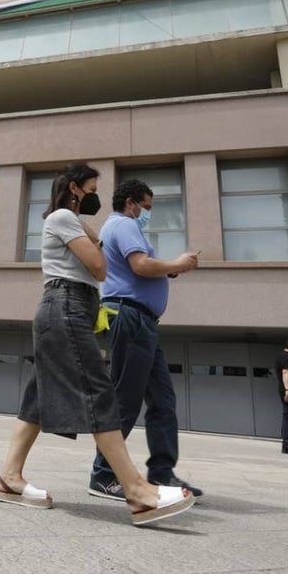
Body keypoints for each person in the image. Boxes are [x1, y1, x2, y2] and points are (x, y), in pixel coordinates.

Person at [0, 164, 195, 526]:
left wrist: (88, 233)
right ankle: (136, 490)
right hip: (66, 306)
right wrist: (89, 234)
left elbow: (97, 260)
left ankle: (10, 477)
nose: (96, 196)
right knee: (99, 393)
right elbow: (100, 268)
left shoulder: (69, 221)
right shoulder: (62, 218)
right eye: (91, 188)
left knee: (39, 397)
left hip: (70, 308)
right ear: (75, 188)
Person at [88, 178, 204, 502]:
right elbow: (141, 265)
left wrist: (168, 271)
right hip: (131, 318)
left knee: (163, 401)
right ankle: (104, 474)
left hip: (143, 323)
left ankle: (162, 472)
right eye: (147, 208)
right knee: (126, 399)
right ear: (131, 203)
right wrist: (177, 263)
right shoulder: (124, 225)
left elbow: (141, 268)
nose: (147, 214)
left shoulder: (123, 226)